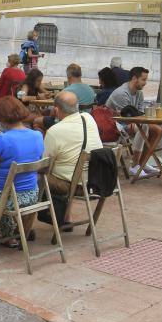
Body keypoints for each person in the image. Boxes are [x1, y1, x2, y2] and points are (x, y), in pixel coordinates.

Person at [0, 97, 44, 252]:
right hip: (31, 194)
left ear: (1, 117)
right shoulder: (37, 135)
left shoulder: (2, 140)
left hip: (9, 198)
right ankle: (8, 235)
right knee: (3, 188)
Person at [43, 91, 103, 225]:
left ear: (56, 110)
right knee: (68, 165)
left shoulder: (55, 131)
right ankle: (66, 216)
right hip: (96, 181)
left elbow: (44, 164)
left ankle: (24, 227)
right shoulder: (88, 118)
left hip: (75, 185)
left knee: (33, 176)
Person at [106, 66, 161, 177]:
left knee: (158, 130)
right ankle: (134, 165)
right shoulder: (121, 93)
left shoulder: (139, 93)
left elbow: (139, 114)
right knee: (144, 127)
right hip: (115, 125)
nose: (145, 83)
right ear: (135, 78)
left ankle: (142, 163)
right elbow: (126, 118)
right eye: (143, 79)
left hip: (130, 121)